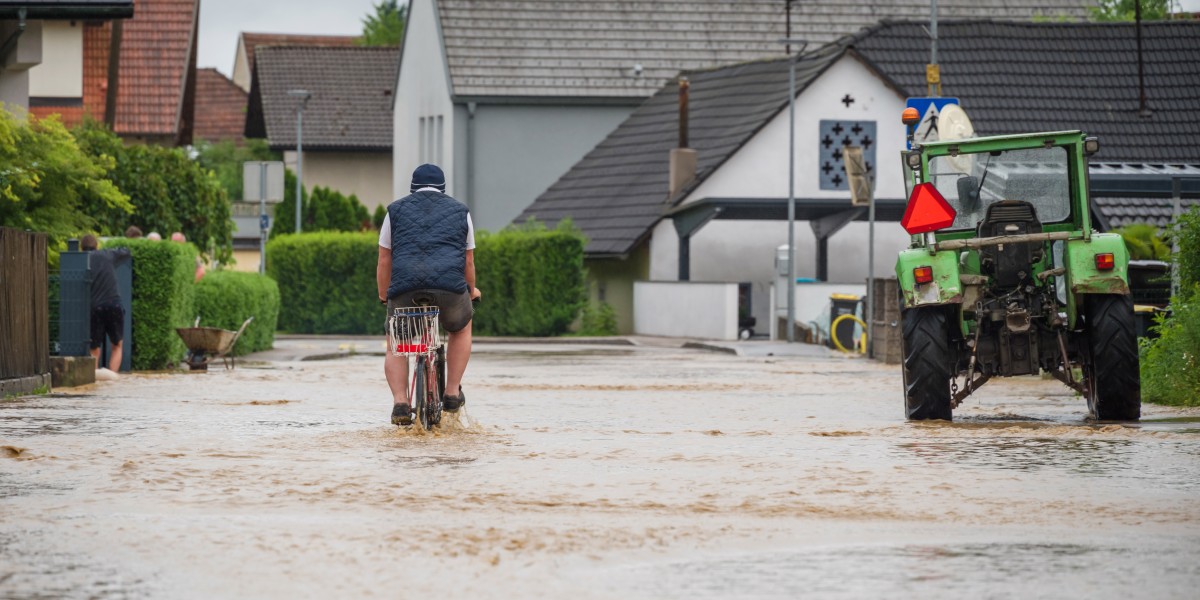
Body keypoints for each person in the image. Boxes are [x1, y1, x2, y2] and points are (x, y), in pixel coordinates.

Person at [377, 164, 482, 426]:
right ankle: (451, 392)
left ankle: (401, 404)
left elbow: (384, 259)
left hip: (405, 289)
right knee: (461, 328)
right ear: (443, 188)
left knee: (396, 343)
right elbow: (468, 262)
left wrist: (384, 295)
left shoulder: (394, 211)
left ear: (412, 187)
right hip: (449, 289)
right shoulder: (461, 211)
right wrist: (471, 291)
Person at [81, 234, 131, 374]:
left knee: (94, 348)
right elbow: (126, 251)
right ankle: (112, 377)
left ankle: (94, 378)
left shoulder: (81, 260)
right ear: (97, 245)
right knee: (117, 345)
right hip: (114, 304)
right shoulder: (107, 254)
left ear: (81, 247)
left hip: (95, 307)